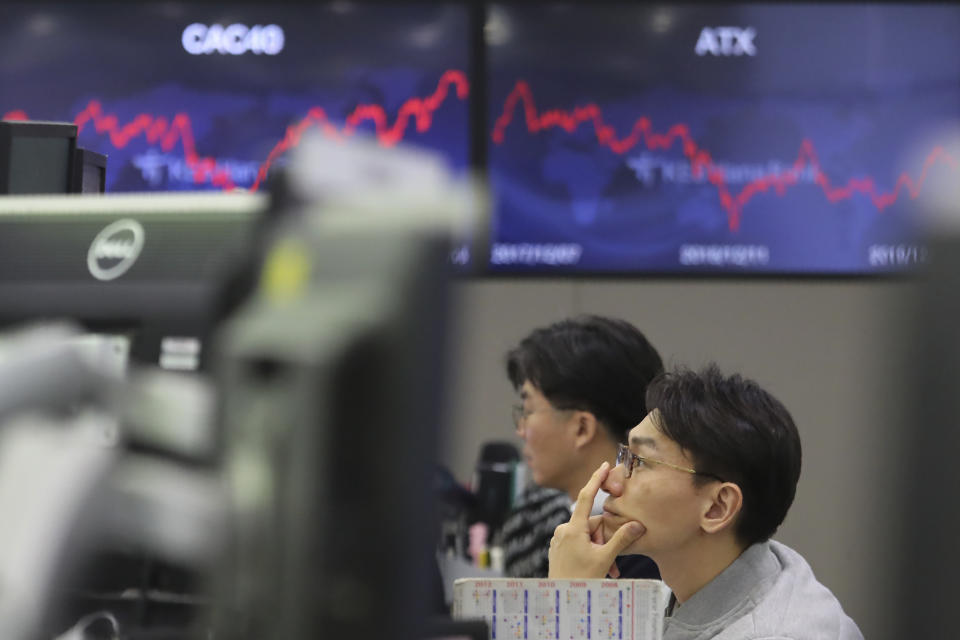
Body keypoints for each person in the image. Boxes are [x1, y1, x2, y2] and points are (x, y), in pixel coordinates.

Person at [548, 365, 863, 639]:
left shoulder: (774, 634)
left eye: (640, 462)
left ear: (717, 507)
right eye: (625, 455)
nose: (611, 482)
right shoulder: (704, 584)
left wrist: (568, 603)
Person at [498, 315, 663, 579]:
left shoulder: (640, 549)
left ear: (582, 428)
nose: (521, 430)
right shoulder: (539, 518)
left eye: (528, 411)